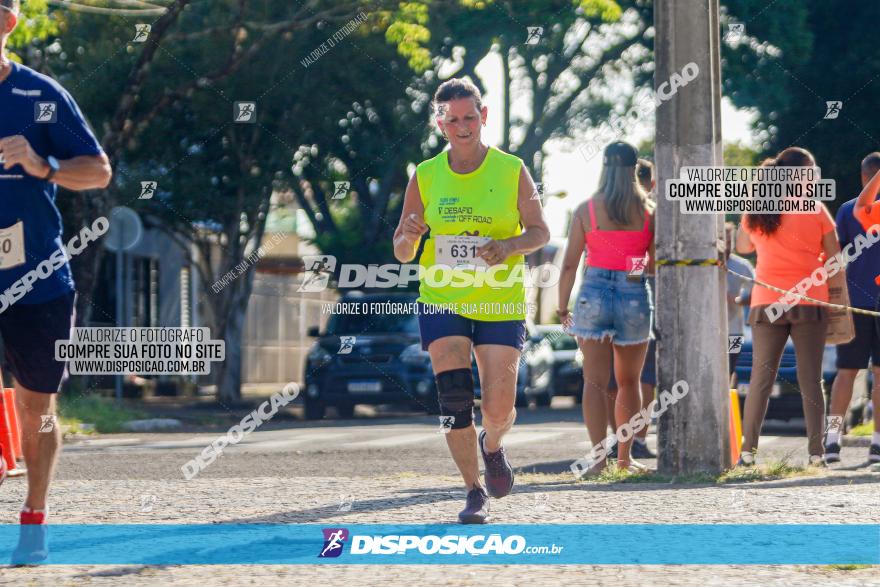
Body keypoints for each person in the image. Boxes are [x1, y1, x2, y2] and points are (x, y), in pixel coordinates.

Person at [392, 78, 550, 524]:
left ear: (484, 116)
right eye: (452, 119)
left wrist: (509, 245)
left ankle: (493, 446)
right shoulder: (424, 175)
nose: (462, 127)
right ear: (440, 123)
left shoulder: (511, 169)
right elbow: (401, 251)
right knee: (454, 399)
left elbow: (541, 232)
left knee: (498, 408)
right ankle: (472, 490)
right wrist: (408, 236)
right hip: (442, 297)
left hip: (500, 300)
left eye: (469, 117)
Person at [0, 0, 112, 533]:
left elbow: (98, 171)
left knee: (36, 404)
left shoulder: (40, 97)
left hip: (36, 277)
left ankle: (34, 515)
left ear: (7, 21)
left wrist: (42, 166)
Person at [735, 147, 842, 467]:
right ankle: (815, 455)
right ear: (798, 175)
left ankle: (747, 453)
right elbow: (836, 260)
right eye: (812, 171)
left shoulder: (758, 209)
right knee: (811, 379)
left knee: (760, 379)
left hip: (767, 301)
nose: (815, 176)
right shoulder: (816, 209)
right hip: (810, 301)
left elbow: (743, 247)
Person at [558, 141, 655, 474]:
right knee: (630, 382)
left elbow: (570, 264)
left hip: (593, 293)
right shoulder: (648, 211)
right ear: (632, 171)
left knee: (594, 382)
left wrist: (561, 307)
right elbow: (652, 265)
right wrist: (630, 267)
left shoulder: (586, 209)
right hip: (633, 294)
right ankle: (625, 460)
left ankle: (598, 461)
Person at [829, 153, 880, 464]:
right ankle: (877, 444)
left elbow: (835, 257)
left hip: (856, 302)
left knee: (846, 373)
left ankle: (833, 439)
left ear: (863, 177)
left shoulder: (849, 210)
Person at [605, 158, 657, 460]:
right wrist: (634, 279)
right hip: (637, 297)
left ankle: (619, 438)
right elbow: (643, 258)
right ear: (647, 183)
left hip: (602, 291)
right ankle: (634, 439)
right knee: (640, 377)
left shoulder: (604, 206)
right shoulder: (645, 211)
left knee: (613, 377)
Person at [725, 222, 754, 386]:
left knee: (730, 368)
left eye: (730, 241)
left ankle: (729, 406)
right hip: (711, 332)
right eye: (724, 240)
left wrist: (737, 300)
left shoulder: (742, 266)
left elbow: (757, 291)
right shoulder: (706, 264)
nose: (728, 245)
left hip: (735, 332)